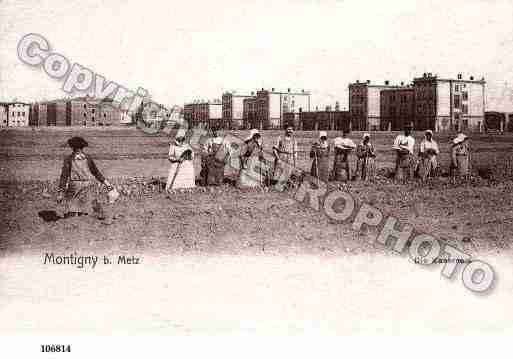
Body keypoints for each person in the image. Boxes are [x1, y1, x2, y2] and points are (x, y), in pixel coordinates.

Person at [57, 136, 113, 224]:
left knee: (70, 201)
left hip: (74, 184)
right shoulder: (88, 158)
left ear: (72, 147)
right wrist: (107, 184)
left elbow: (64, 176)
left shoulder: (68, 159)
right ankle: (102, 214)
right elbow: (96, 172)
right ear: (83, 147)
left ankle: (72, 215)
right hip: (88, 183)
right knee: (92, 201)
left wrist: (60, 192)